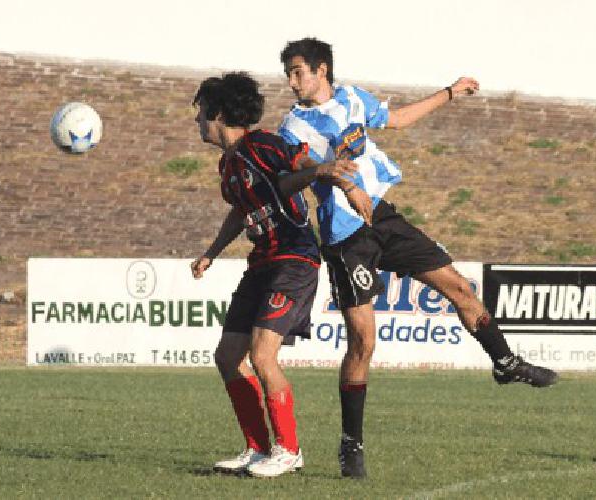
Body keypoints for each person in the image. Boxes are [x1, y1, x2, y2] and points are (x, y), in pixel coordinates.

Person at [275, 37, 559, 478]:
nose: (291, 81)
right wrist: (342, 183)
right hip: (345, 236)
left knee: (459, 288)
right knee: (363, 342)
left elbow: (397, 119)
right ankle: (351, 444)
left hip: (382, 218)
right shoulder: (294, 126)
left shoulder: (351, 98)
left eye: (298, 71)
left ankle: (505, 363)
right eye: (289, 73)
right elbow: (300, 175)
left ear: (322, 70)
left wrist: (448, 93)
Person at [187, 72, 369, 477]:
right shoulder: (229, 164)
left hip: (294, 260)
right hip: (262, 261)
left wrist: (323, 170)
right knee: (228, 357)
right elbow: (241, 210)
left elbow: (298, 161)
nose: (197, 119)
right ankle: (257, 449)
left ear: (217, 112)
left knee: (262, 355)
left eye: (201, 111)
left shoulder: (261, 145)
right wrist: (211, 253)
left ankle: (289, 450)